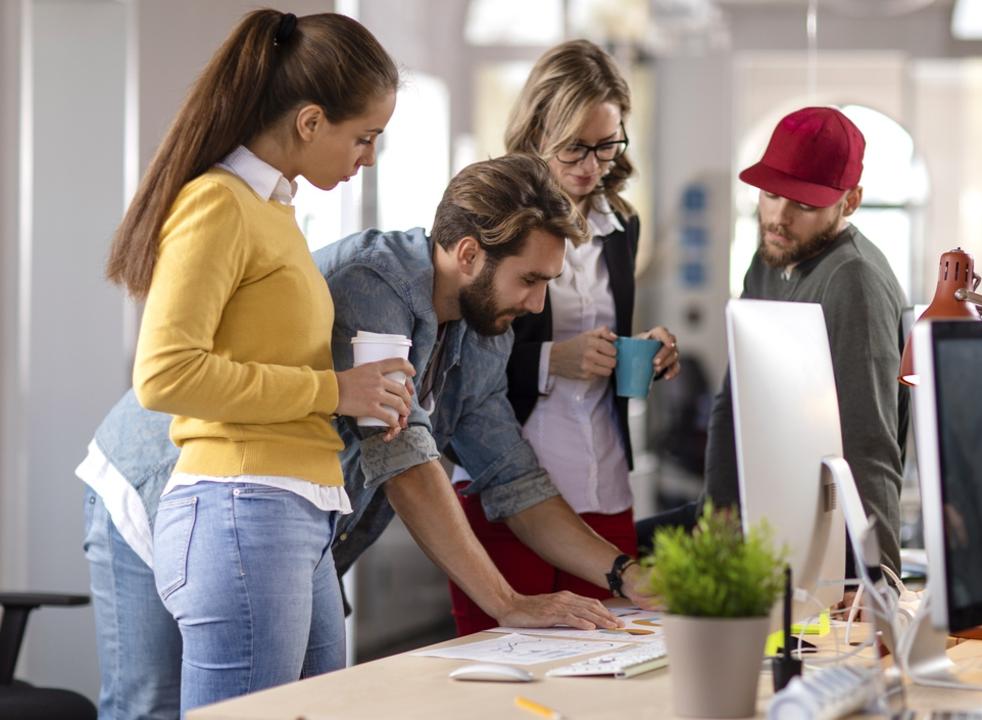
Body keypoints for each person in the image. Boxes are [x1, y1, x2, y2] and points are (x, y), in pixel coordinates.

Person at [81, 154, 653, 719]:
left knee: (302, 704)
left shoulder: (486, 331)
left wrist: (625, 574)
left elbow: (512, 476)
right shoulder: (373, 282)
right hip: (160, 482)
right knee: (150, 708)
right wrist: (508, 603)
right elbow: (401, 459)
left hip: (282, 514)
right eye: (529, 280)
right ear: (470, 253)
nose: (537, 304)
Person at [102, 9, 415, 713]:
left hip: (292, 510)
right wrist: (335, 389)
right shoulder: (218, 204)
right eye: (362, 137)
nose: (366, 157)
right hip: (242, 506)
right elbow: (165, 374)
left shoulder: (273, 211)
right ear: (310, 121)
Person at [445, 40, 679, 635]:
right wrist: (553, 361)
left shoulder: (621, 222)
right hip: (509, 478)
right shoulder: (490, 215)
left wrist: (645, 351)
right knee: (508, 660)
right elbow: (458, 367)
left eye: (607, 145)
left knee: (613, 658)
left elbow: (604, 331)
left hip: (603, 475)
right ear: (539, 128)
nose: (591, 163)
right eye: (575, 145)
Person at [637, 106, 910, 580]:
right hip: (759, 511)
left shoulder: (853, 281)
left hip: (818, 537)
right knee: (607, 555)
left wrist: (877, 576)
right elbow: (732, 400)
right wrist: (718, 512)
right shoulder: (767, 260)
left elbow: (868, 445)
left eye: (804, 205)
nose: (779, 217)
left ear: (850, 202)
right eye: (770, 194)